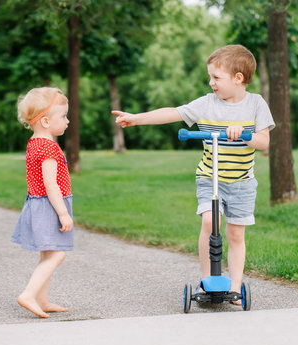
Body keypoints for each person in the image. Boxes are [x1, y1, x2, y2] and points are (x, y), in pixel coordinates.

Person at [112, 45, 275, 303]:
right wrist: (137, 118)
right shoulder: (206, 104)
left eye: (216, 77)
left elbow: (264, 142)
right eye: (210, 77)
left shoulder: (256, 104)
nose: (211, 82)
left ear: (238, 78)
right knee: (210, 222)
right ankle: (207, 281)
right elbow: (173, 112)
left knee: (235, 234)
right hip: (210, 177)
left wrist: (246, 135)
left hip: (243, 182)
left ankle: (234, 286)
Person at [11, 87, 73, 318]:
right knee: (57, 254)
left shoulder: (35, 142)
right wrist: (63, 214)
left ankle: (43, 299)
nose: (68, 121)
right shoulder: (48, 147)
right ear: (46, 122)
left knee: (48, 253)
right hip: (49, 206)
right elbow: (51, 185)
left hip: (38, 204)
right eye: (64, 116)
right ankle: (28, 294)